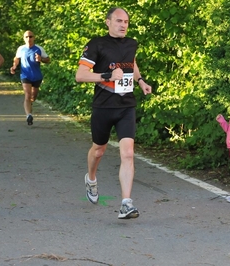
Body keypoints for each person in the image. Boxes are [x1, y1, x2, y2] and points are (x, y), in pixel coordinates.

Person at [75, 7, 152, 219]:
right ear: (108, 22)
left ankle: (126, 203)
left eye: (126, 22)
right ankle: (91, 179)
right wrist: (107, 75)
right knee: (99, 150)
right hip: (103, 106)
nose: (123, 25)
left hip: (126, 105)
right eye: (119, 21)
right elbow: (80, 75)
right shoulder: (96, 44)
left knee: (128, 153)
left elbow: (132, 63)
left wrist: (140, 80)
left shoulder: (131, 44)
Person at [10, 30, 50, 125]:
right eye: (26, 37)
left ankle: (29, 104)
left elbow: (48, 59)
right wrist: (14, 66)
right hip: (25, 75)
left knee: (33, 97)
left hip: (37, 76)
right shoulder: (21, 49)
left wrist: (41, 59)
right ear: (24, 38)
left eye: (30, 36)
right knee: (27, 95)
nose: (29, 39)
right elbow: (16, 58)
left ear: (34, 37)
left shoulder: (39, 49)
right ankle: (29, 115)